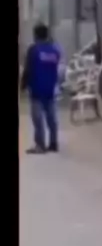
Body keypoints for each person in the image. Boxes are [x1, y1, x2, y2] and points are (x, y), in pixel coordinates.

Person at [20, 23, 62, 154]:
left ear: (36, 35)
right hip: (50, 89)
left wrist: (23, 85)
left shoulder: (34, 50)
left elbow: (28, 68)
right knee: (51, 118)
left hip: (37, 89)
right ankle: (53, 143)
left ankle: (40, 145)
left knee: (38, 119)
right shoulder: (54, 50)